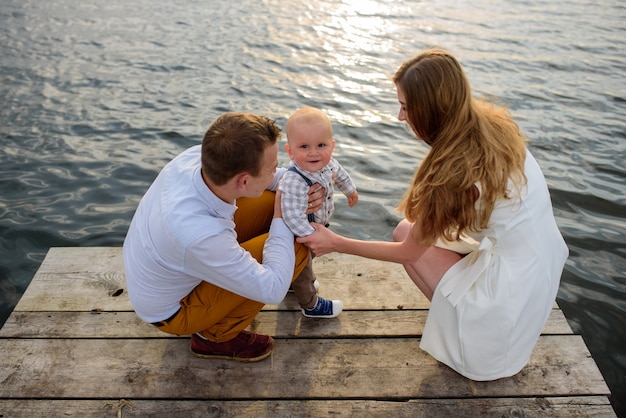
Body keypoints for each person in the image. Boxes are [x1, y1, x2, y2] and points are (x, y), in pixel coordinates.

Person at [297, 49, 569, 381]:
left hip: (502, 304)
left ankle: (463, 332)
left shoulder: (455, 168)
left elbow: (409, 251)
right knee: (417, 231)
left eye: (406, 107)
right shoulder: (492, 126)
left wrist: (336, 242)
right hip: (536, 275)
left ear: (430, 110)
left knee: (403, 233)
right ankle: (458, 320)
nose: (400, 116)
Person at [123, 112, 325, 362]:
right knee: (298, 244)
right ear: (243, 181)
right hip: (174, 310)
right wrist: (283, 215)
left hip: (175, 264)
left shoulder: (197, 158)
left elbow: (272, 184)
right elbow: (272, 289)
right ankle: (214, 337)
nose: (277, 170)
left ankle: (281, 268)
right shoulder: (200, 234)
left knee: (282, 204)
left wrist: (298, 186)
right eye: (272, 168)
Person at [279, 106, 358, 318]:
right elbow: (291, 215)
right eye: (304, 146)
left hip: (319, 225)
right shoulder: (294, 179)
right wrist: (310, 235)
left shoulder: (328, 162)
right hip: (300, 235)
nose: (314, 152)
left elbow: (340, 173)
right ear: (290, 151)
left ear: (332, 146)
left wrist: (350, 191)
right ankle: (310, 304)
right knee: (304, 266)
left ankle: (291, 282)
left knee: (307, 262)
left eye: (321, 145)